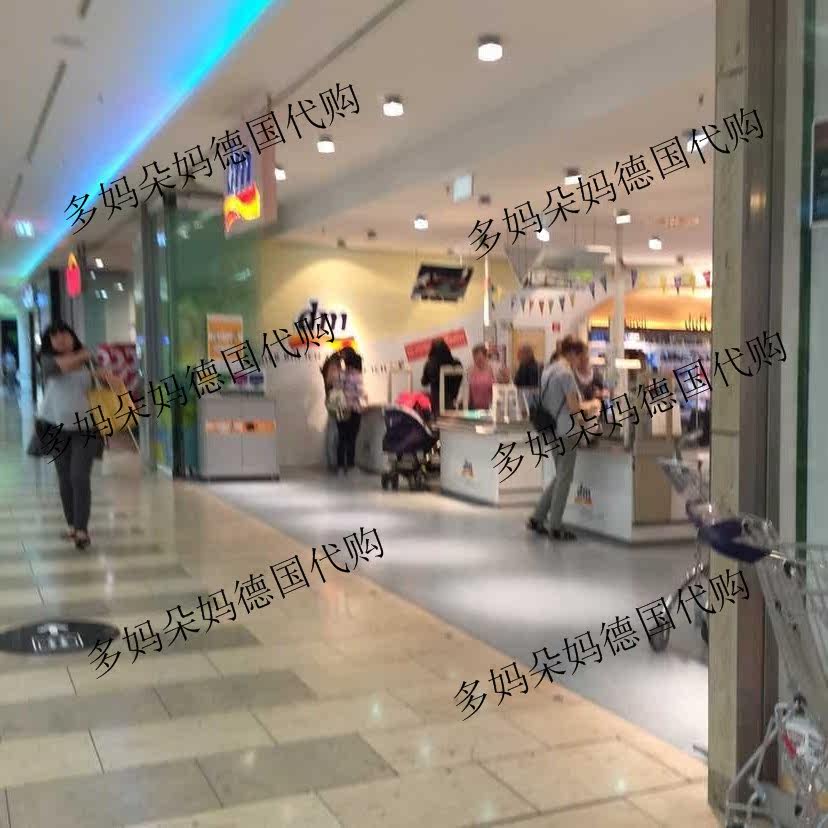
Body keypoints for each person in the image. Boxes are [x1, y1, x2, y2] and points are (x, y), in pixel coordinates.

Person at [37, 322, 115, 549]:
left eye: (64, 334)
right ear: (49, 342)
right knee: (64, 478)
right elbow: (56, 369)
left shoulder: (89, 360)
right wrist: (83, 356)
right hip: (55, 426)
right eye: (54, 336)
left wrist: (105, 377)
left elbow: (107, 385)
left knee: (79, 476)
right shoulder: (46, 359)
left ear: (72, 336)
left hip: (86, 428)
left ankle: (82, 530)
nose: (60, 339)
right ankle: (71, 525)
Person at [527, 337, 602, 541]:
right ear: (572, 354)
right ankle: (555, 526)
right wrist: (592, 405)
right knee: (565, 477)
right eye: (581, 356)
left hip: (550, 429)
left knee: (560, 475)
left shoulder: (548, 370)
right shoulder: (566, 374)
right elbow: (573, 407)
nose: (581, 361)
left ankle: (537, 517)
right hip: (567, 431)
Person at [333, 346, 366, 475]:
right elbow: (360, 393)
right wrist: (363, 397)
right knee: (351, 439)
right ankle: (351, 466)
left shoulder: (339, 374)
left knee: (342, 438)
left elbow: (336, 390)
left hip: (340, 410)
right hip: (353, 410)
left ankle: (340, 466)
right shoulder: (357, 376)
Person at [421, 338, 462, 415]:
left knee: (439, 419)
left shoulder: (429, 364)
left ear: (432, 349)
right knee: (451, 419)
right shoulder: (456, 363)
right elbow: (461, 380)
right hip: (452, 399)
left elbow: (424, 382)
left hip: (436, 401)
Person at [321, 352, 342, 471]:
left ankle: (332, 462)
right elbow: (334, 384)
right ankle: (333, 462)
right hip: (334, 403)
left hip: (331, 402)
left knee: (333, 432)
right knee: (334, 433)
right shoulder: (333, 369)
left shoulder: (328, 368)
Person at [467, 344, 496, 411]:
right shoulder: (470, 370)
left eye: (480, 359)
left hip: (491, 408)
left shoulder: (493, 369)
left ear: (485, 357)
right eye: (475, 359)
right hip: (474, 409)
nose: (477, 361)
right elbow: (466, 390)